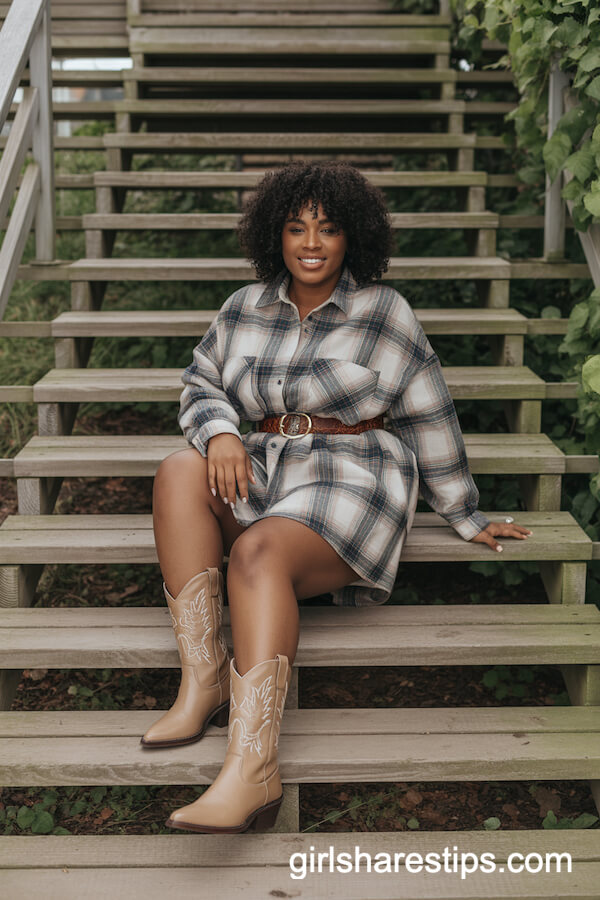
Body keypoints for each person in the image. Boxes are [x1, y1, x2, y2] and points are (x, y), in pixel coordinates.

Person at [140, 160, 533, 834]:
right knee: (180, 468)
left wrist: (464, 513)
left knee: (258, 553)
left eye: (327, 229)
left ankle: (252, 767)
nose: (312, 243)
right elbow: (199, 383)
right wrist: (222, 434)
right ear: (277, 236)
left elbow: (429, 414)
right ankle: (202, 681)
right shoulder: (243, 308)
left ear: (353, 237)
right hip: (263, 467)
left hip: (352, 475)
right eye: (296, 228)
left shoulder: (385, 312)